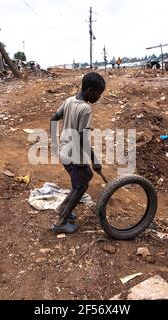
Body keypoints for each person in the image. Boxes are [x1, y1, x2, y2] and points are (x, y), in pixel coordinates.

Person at [50, 72, 106, 234]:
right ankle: (60, 222)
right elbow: (82, 138)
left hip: (65, 151)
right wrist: (95, 160)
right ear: (90, 90)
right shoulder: (85, 109)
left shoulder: (69, 101)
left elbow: (54, 118)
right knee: (81, 187)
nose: (99, 97)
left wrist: (55, 141)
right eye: (98, 94)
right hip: (74, 155)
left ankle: (62, 207)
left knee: (86, 176)